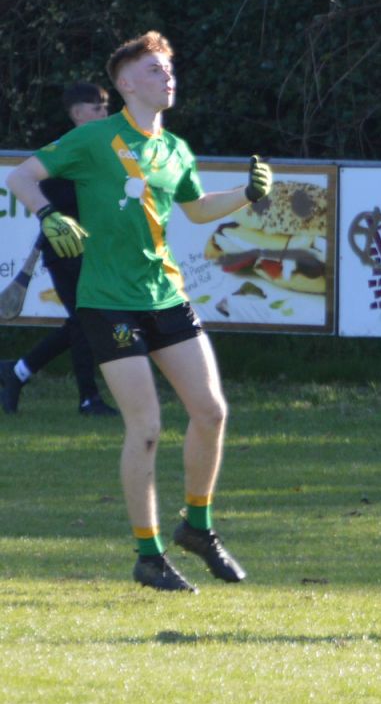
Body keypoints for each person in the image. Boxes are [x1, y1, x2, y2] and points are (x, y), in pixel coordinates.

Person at [5, 32, 274, 593]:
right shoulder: (95, 137)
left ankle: (197, 528)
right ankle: (148, 553)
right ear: (125, 83)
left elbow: (197, 210)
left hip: (166, 294)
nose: (167, 76)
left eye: (169, 68)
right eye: (154, 69)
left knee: (212, 412)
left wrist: (247, 194)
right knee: (146, 428)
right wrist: (49, 213)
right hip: (107, 301)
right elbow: (21, 176)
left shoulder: (175, 149)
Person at [0, 82, 119, 417]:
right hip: (66, 251)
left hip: (92, 251)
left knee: (85, 321)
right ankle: (87, 399)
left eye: (106, 106)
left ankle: (18, 371)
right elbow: (49, 200)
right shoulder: (65, 149)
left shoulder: (104, 149)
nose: (104, 112)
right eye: (97, 108)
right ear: (77, 113)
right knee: (86, 320)